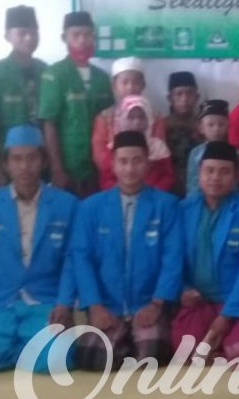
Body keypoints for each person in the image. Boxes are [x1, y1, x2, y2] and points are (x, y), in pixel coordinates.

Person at [0, 125, 78, 374]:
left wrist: (64, 304)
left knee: (56, 359)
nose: (25, 166)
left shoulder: (67, 205)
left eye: (32, 158)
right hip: (0, 305)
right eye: (17, 159)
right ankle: (20, 350)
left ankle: (12, 351)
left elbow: (72, 260)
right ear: (6, 164)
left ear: (43, 161)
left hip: (45, 306)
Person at [71, 131, 183, 370]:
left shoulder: (166, 205)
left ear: (148, 163)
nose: (130, 169)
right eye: (123, 161)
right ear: (112, 164)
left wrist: (157, 304)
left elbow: (173, 258)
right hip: (108, 305)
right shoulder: (91, 207)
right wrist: (95, 306)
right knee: (92, 358)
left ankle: (132, 340)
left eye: (137, 160)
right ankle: (125, 339)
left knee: (152, 356)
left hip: (147, 304)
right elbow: (81, 259)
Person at [172, 141, 239, 363]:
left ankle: (226, 346)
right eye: (209, 171)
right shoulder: (183, 210)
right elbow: (172, 260)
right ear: (199, 173)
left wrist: (227, 315)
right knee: (186, 350)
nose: (215, 178)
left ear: (237, 176)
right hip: (201, 301)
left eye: (224, 172)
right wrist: (183, 289)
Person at [39, 11, 113, 198]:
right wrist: (56, 168)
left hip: (98, 166)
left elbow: (110, 122)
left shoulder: (102, 78)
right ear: (64, 38)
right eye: (76, 35)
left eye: (88, 35)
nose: (82, 40)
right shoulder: (54, 74)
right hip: (67, 165)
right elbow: (49, 123)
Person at [0, 5, 46, 190]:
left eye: (34, 33)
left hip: (40, 159)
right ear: (8, 36)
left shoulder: (45, 70)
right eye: (22, 33)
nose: (29, 38)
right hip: (9, 161)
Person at [90, 57, 165, 170]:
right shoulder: (104, 118)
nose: (130, 87)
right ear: (114, 85)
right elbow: (100, 154)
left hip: (149, 174)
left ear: (143, 85)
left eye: (136, 82)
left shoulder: (155, 116)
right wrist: (123, 172)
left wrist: (140, 171)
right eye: (124, 83)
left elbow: (159, 150)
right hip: (112, 175)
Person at [97, 96, 174, 191]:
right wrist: (124, 192)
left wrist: (150, 193)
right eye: (131, 117)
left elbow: (167, 176)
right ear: (122, 119)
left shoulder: (158, 147)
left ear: (149, 119)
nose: (137, 122)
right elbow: (106, 178)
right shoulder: (114, 146)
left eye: (142, 117)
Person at [164, 71, 202, 197]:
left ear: (197, 97)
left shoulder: (205, 126)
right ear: (170, 98)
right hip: (168, 188)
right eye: (179, 94)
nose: (184, 99)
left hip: (200, 187)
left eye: (189, 93)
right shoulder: (162, 127)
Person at [186, 100, 229, 198]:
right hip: (199, 199)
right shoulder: (195, 153)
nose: (216, 129)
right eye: (211, 125)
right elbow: (192, 182)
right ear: (201, 128)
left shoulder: (234, 152)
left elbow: (234, 182)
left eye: (221, 124)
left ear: (227, 126)